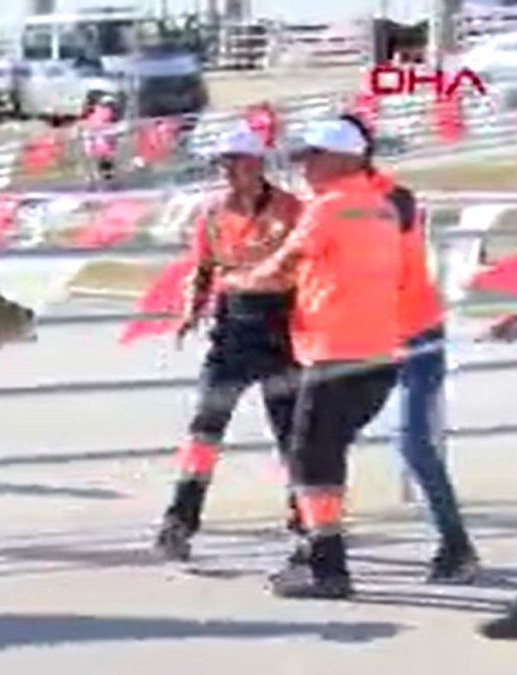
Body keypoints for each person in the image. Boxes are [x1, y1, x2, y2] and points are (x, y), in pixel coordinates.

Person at [225, 117, 405, 599]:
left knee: (310, 459)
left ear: (344, 160)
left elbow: (282, 266)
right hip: (380, 354)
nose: (305, 168)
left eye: (313, 157)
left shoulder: (327, 209)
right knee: (326, 453)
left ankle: (328, 566)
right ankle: (315, 551)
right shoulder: (383, 207)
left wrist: (236, 281)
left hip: (334, 353)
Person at [336, 112, 480, 583]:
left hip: (415, 336)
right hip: (365, 339)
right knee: (319, 435)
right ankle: (318, 536)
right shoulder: (333, 201)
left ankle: (456, 545)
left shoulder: (393, 198)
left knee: (416, 444)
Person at [153, 121, 304, 562]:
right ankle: (179, 521)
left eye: (234, 162)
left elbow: (310, 267)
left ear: (257, 163)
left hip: (281, 330)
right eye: (222, 164)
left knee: (292, 433)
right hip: (232, 329)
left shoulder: (291, 209)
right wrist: (192, 308)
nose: (226, 171)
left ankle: (306, 520)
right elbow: (201, 267)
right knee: (205, 427)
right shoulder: (213, 213)